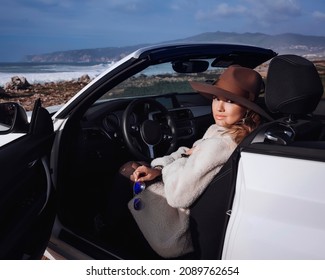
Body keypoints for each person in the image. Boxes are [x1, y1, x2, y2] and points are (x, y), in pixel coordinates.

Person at [104, 65, 269, 259]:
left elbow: (177, 196)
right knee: (141, 166)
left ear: (247, 108)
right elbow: (187, 153)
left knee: (127, 170)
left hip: (176, 224)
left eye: (230, 101)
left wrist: (173, 163)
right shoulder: (231, 132)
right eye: (216, 98)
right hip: (187, 199)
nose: (219, 107)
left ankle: (106, 235)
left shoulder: (219, 144)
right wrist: (159, 168)